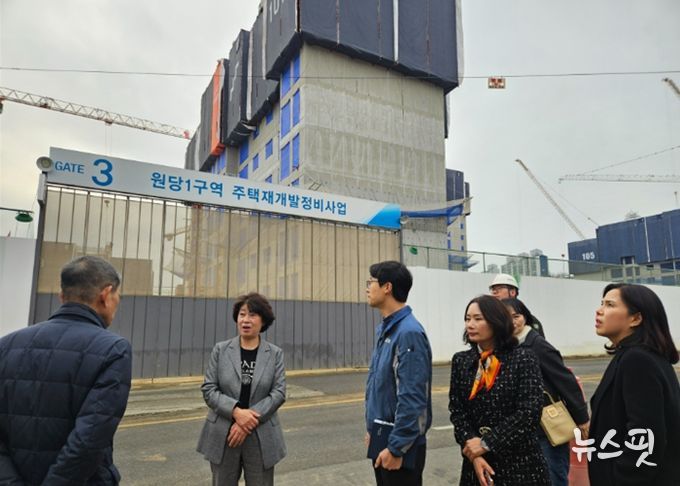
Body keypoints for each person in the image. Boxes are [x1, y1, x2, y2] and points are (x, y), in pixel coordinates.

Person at [0, 256, 132, 485]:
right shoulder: (113, 350)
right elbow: (89, 440)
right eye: (117, 295)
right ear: (106, 294)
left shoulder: (6, 345)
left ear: (62, 296)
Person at [449, 295, 550, 486]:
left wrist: (487, 443)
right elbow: (457, 411)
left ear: (496, 322)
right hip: (476, 466)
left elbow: (529, 413)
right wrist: (473, 452)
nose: (470, 324)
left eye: (478, 319)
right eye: (467, 319)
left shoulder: (523, 358)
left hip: (520, 465)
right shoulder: (461, 361)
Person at [588, 283, 680, 485]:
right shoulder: (633, 355)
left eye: (610, 305)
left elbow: (646, 434)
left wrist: (623, 477)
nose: (599, 310)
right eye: (602, 303)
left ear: (636, 319)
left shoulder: (638, 360)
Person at [197, 292, 286, 486]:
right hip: (225, 433)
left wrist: (248, 420)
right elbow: (209, 389)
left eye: (252, 315)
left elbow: (278, 393)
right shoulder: (221, 350)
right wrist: (237, 412)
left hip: (260, 434)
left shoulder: (274, 354)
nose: (246, 320)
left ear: (263, 321)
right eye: (242, 314)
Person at [503, 297, 590, 486]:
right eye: (506, 317)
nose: (512, 321)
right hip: (522, 431)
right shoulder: (506, 347)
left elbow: (565, 380)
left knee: (553, 476)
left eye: (516, 316)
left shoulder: (537, 345)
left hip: (546, 429)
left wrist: (582, 418)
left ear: (525, 317)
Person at [364, 261, 432, 486]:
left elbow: (412, 397)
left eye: (371, 282)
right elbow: (380, 387)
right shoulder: (386, 330)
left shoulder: (408, 333)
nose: (367, 287)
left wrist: (397, 447)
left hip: (401, 446)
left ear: (387, 287)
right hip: (383, 437)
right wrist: (372, 430)